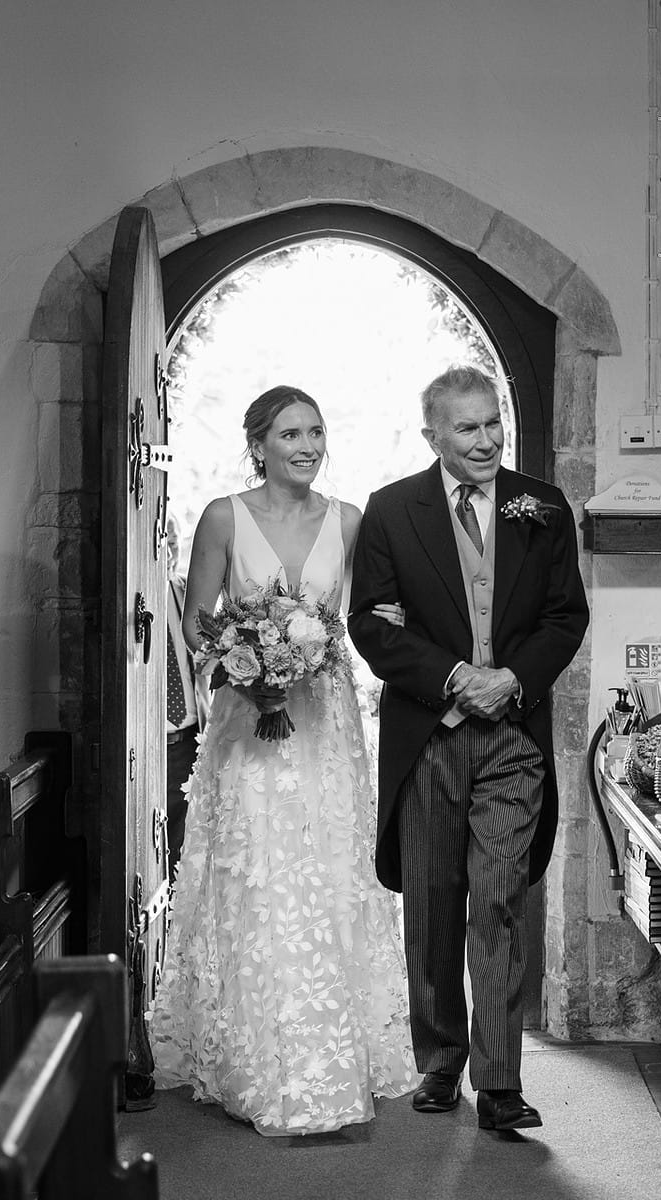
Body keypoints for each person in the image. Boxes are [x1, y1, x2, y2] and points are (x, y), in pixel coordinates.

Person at [149, 384, 417, 1136]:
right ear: (259, 442)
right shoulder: (224, 517)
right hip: (248, 723)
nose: (307, 446)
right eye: (291, 434)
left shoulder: (350, 521)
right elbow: (198, 624)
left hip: (326, 723)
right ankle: (255, 1056)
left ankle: (339, 1049)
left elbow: (363, 618)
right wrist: (249, 660)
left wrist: (371, 631)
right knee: (260, 874)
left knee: (328, 870)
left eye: (316, 432)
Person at [347, 365, 589, 1132]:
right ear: (433, 436)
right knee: (432, 901)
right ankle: (439, 1061)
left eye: (493, 424)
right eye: (467, 428)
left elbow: (565, 616)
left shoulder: (542, 506)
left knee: (498, 899)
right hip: (430, 737)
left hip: (513, 737)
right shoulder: (391, 511)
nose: (486, 441)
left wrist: (510, 679)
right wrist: (455, 677)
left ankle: (502, 1081)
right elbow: (372, 625)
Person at [161, 515, 208, 881]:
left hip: (187, 743)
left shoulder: (186, 593)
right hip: (147, 748)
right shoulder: (127, 601)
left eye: (176, 541)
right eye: (165, 539)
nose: (172, 549)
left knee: (182, 854)